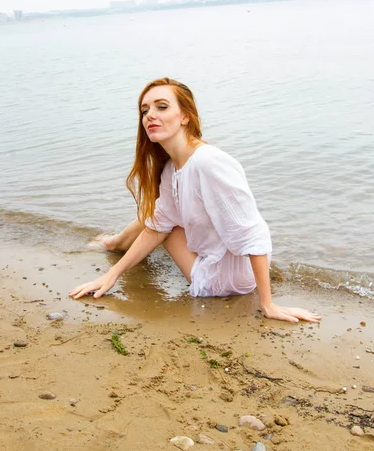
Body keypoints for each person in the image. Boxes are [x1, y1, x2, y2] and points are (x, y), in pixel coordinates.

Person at [70, 78, 321, 324]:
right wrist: (111, 276)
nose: (149, 116)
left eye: (162, 107)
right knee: (159, 216)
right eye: (144, 110)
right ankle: (114, 245)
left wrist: (268, 304)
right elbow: (158, 225)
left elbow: (253, 232)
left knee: (159, 220)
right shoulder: (172, 169)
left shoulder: (208, 162)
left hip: (225, 278)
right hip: (224, 264)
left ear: (186, 116)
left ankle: (114, 244)